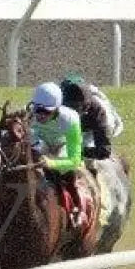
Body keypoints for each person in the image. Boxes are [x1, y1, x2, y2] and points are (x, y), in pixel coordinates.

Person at [30, 82, 87, 228]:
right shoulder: (29, 114)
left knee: (65, 169)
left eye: (46, 112)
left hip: (62, 146)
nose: (40, 115)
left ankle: (77, 208)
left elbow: (75, 160)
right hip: (40, 143)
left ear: (56, 109)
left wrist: (51, 163)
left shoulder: (70, 119)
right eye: (37, 109)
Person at [59, 76, 121, 159]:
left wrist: (78, 151)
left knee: (87, 160)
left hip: (92, 129)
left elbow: (104, 151)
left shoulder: (98, 111)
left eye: (78, 109)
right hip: (77, 124)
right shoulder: (54, 103)